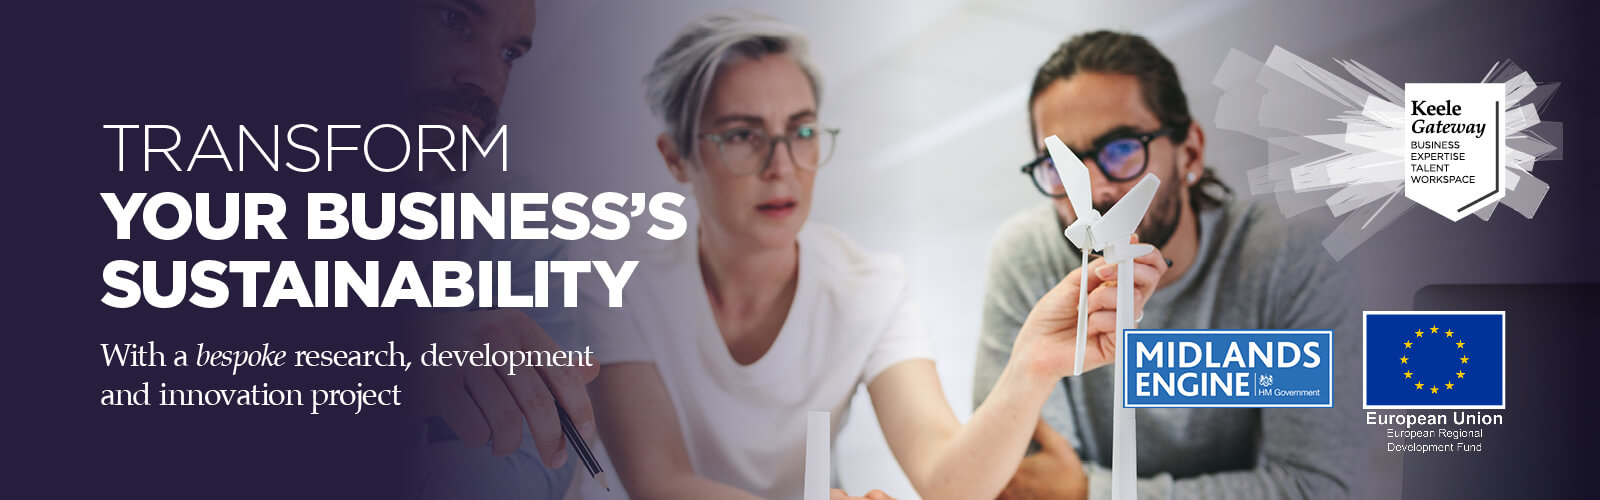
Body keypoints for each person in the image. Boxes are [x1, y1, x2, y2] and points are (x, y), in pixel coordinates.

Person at [585, 11, 1167, 500]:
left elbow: (946, 477)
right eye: (743, 134)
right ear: (677, 158)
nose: (781, 164)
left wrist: (1031, 366)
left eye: (802, 131)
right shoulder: (616, 282)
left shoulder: (869, 288)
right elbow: (657, 481)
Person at [973, 31, 1362, 499]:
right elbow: (1020, 482)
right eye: (1062, 164)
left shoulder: (1285, 258)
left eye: (1120, 150)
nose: (1095, 193)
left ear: (1190, 152)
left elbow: (1315, 488)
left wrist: (1087, 493)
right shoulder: (1027, 257)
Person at [397, 1, 600, 499]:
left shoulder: (510, 209)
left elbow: (536, 457)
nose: (486, 79)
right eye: (453, 20)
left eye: (510, 53)